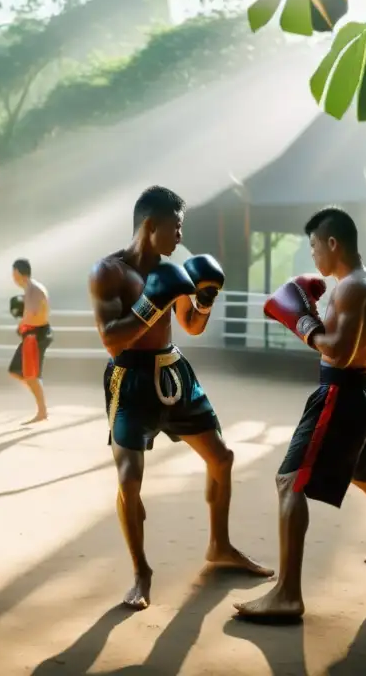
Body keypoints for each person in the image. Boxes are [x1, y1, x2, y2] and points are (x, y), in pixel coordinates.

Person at [234, 206, 366, 621]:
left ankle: (287, 593)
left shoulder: (349, 289)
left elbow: (336, 349)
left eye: (315, 245)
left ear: (333, 243)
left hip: (341, 393)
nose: (313, 254)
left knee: (289, 481)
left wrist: (301, 321)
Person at [88, 185, 272, 611]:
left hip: (174, 372)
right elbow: (112, 341)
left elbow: (191, 325)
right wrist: (153, 302)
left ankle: (220, 545)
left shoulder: (174, 269)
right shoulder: (108, 272)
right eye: (176, 227)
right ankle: (141, 572)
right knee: (129, 478)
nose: (179, 236)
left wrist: (204, 298)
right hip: (131, 379)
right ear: (151, 225)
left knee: (221, 458)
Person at [8, 258, 52, 425]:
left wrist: (21, 325)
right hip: (33, 333)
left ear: (18, 273)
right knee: (17, 370)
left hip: (36, 334)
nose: (13, 277)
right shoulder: (30, 289)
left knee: (29, 374)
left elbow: (32, 314)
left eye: (13, 273)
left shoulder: (33, 289)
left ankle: (42, 409)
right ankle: (40, 400)